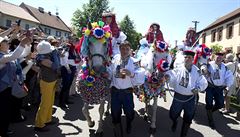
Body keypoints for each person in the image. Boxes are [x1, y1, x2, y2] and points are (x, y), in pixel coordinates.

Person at [166, 50, 208, 137]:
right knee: (173, 114)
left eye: (190, 57)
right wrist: (168, 76)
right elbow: (172, 74)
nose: (187, 59)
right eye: (186, 57)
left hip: (191, 98)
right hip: (178, 97)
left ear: (193, 59)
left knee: (188, 117)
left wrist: (198, 88)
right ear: (183, 58)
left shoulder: (197, 71)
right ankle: (175, 121)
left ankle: (183, 134)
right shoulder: (178, 68)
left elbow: (203, 81)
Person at [107, 41, 145, 137]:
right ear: (119, 49)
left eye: (127, 49)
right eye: (122, 49)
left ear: (130, 50)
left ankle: (129, 124)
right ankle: (118, 132)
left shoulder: (135, 61)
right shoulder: (115, 58)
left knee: (129, 113)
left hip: (127, 93)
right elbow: (111, 71)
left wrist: (131, 74)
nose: (124, 51)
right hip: (115, 92)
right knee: (115, 113)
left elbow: (140, 77)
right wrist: (107, 74)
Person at [0, 36, 30, 137]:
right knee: (3, 112)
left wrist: (28, 44)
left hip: (8, 88)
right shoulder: (1, 57)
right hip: (2, 89)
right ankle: (3, 132)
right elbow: (14, 56)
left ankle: (4, 130)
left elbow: (24, 53)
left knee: (7, 111)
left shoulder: (6, 53)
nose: (7, 42)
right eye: (4, 41)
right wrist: (22, 44)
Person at [34, 40, 60, 132]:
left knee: (50, 102)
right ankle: (39, 124)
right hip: (46, 81)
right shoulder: (42, 58)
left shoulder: (46, 55)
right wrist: (55, 55)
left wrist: (55, 54)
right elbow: (56, 66)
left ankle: (47, 119)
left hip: (51, 80)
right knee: (45, 103)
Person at [205, 52, 233, 129]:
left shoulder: (225, 67)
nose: (219, 58)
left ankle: (210, 111)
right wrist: (205, 71)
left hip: (219, 88)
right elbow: (203, 71)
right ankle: (210, 119)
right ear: (214, 57)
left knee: (220, 104)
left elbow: (229, 77)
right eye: (217, 57)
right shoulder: (209, 65)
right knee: (209, 102)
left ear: (223, 59)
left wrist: (227, 85)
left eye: (221, 57)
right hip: (210, 87)